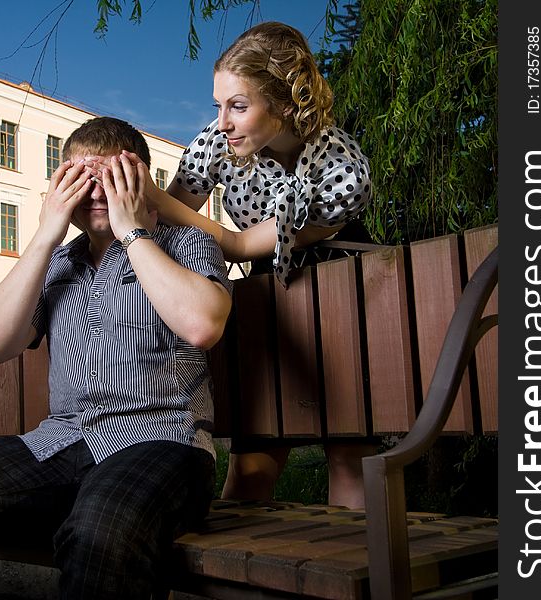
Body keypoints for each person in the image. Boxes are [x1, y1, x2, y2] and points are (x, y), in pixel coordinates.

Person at [0, 116, 233, 599]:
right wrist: (44, 236)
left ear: (141, 178)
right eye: (79, 179)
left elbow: (203, 324)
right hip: (58, 445)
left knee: (100, 530)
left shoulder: (186, 244)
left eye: (112, 176)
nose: (95, 192)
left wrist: (130, 231)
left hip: (164, 444)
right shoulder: (57, 262)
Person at [88, 22, 375, 509]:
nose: (223, 122)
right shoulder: (218, 142)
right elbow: (170, 226)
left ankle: (359, 577)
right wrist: (132, 200)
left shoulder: (342, 171)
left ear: (285, 104)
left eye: (238, 106)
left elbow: (242, 245)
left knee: (348, 450)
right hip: (269, 297)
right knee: (252, 458)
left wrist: (151, 197)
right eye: (218, 105)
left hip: (343, 285)